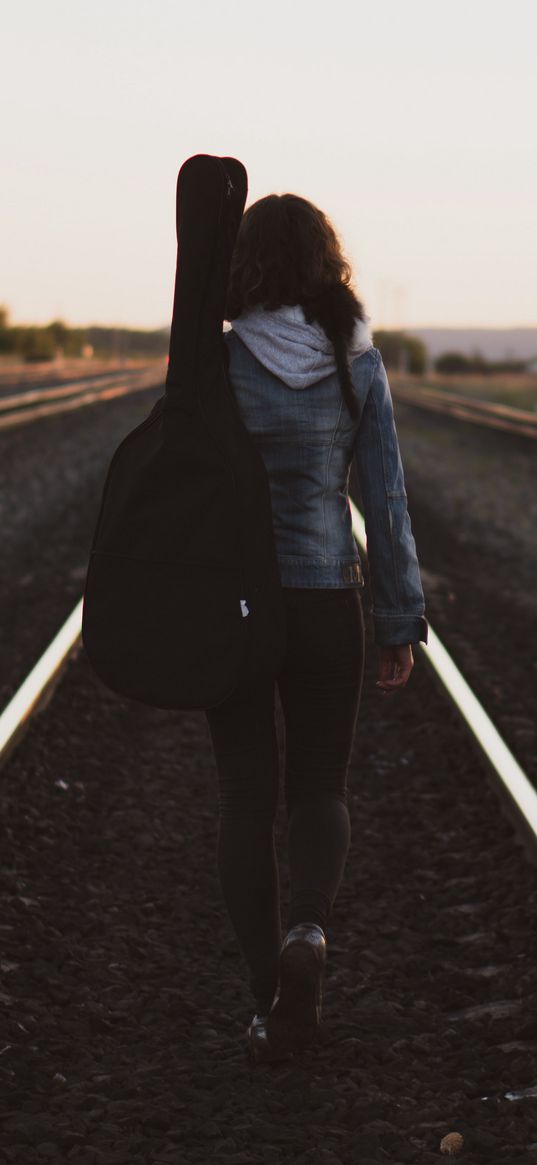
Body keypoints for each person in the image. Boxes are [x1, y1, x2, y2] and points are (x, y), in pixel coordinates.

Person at [203, 192, 428, 1068]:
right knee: (319, 789)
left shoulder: (219, 361)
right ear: (324, 261)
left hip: (238, 610)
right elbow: (387, 501)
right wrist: (398, 618)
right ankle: (307, 929)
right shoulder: (354, 360)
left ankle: (269, 996)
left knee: (244, 797)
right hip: (329, 598)